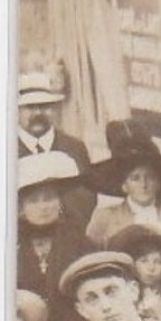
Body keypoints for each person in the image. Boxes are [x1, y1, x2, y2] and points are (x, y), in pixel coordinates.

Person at [84, 122, 161, 259]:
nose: (143, 184)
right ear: (124, 185)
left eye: (149, 177)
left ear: (158, 183)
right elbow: (90, 259)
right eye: (135, 178)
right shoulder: (105, 217)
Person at [16, 151, 96, 321]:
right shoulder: (12, 246)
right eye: (34, 201)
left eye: (49, 198)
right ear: (22, 208)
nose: (43, 207)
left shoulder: (80, 243)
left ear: (59, 203)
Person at [16, 73, 96, 225]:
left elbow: (87, 197)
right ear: (17, 111)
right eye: (30, 107)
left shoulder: (74, 148)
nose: (38, 113)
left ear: (54, 109)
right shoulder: (7, 153)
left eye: (44, 106)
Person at [107, 222, 161, 321]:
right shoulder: (127, 293)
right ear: (134, 264)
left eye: (159, 262)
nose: (151, 268)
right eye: (144, 261)